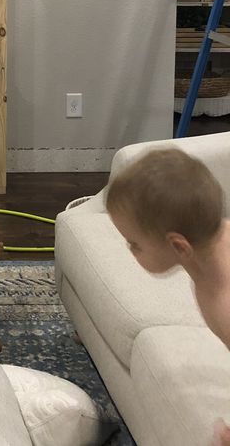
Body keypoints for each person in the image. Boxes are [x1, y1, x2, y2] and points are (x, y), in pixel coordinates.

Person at [106, 148, 230, 445]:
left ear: (179, 246)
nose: (129, 250)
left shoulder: (224, 301)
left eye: (135, 244)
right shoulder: (215, 243)